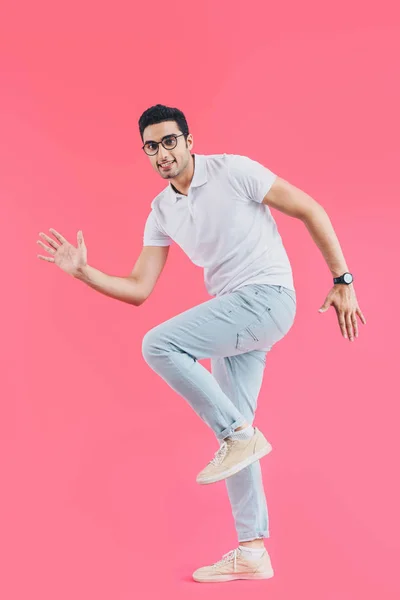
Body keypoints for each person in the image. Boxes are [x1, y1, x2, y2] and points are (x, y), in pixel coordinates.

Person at [37, 104, 366, 583]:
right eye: (151, 147)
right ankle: (252, 550)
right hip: (237, 318)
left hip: (267, 297)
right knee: (237, 434)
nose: (162, 153)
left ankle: (239, 436)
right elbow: (138, 288)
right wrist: (84, 272)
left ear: (189, 141)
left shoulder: (233, 170)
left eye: (170, 141)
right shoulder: (162, 211)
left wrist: (343, 278)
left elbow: (309, 209)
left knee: (160, 346)